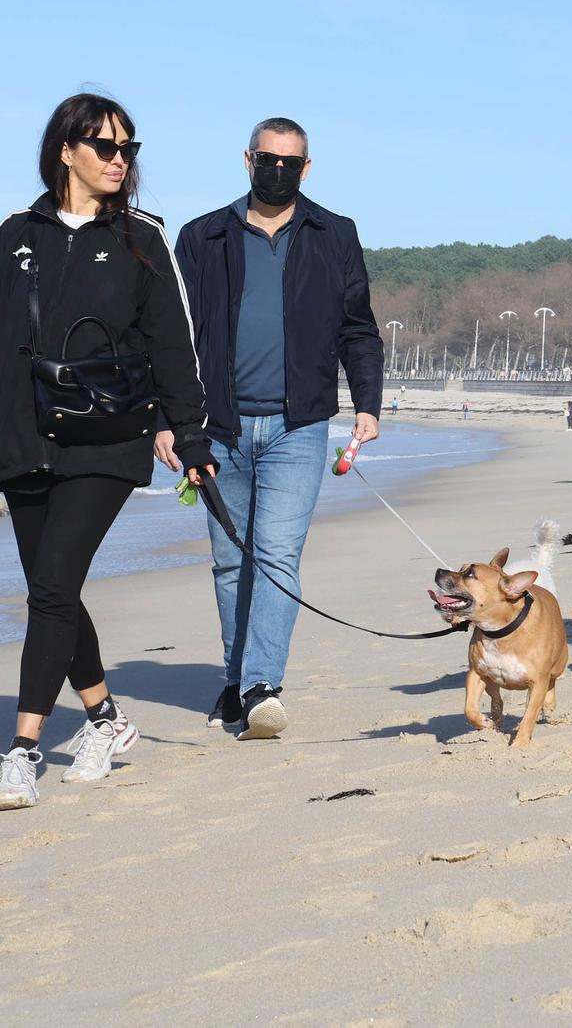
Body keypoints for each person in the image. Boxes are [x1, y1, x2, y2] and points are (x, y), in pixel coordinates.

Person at [0, 93, 214, 811]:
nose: (119, 159)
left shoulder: (142, 237)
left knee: (50, 586)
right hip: (23, 440)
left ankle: (23, 748)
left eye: (128, 148)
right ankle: (105, 720)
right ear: (66, 149)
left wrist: (188, 432)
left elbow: (174, 344)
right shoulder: (15, 234)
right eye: (105, 146)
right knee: (55, 587)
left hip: (108, 438)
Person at [168, 117, 382, 740]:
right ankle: (235, 683)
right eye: (269, 159)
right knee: (229, 562)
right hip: (217, 429)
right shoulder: (202, 236)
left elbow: (357, 328)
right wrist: (170, 423)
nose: (279, 170)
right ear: (248, 159)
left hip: (299, 427)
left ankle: (263, 685)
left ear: (307, 168)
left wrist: (366, 401)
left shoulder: (333, 235)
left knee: (277, 557)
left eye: (292, 162)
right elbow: (170, 336)